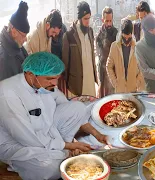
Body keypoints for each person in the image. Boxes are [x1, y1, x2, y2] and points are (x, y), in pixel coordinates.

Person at [0, 52, 111, 180]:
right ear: (30, 74)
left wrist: (97, 135)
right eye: (49, 78)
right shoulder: (7, 94)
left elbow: (74, 112)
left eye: (56, 78)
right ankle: (17, 164)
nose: (55, 83)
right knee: (53, 168)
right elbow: (26, 138)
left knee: (78, 107)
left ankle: (61, 151)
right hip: (18, 144)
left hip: (46, 134)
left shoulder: (44, 86)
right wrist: (68, 146)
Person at [62, 1, 97, 98]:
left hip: (90, 82)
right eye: (85, 19)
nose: (87, 22)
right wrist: (68, 83)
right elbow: (65, 63)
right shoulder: (69, 35)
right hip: (76, 85)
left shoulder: (90, 31)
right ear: (79, 18)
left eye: (89, 18)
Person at [107, 19, 145, 93]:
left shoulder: (138, 48)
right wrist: (115, 82)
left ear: (132, 34)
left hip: (133, 91)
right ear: (121, 33)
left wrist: (137, 82)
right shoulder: (114, 47)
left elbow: (143, 68)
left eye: (129, 38)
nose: (127, 40)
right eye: (125, 38)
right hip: (119, 90)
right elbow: (109, 66)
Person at [0, 1, 29, 81]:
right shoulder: (3, 59)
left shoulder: (19, 47)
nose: (26, 39)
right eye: (24, 36)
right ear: (14, 32)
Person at [96, 7, 118, 97]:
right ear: (102, 20)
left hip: (114, 71)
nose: (109, 23)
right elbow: (99, 54)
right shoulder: (99, 35)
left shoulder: (116, 33)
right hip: (103, 71)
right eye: (106, 21)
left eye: (110, 21)